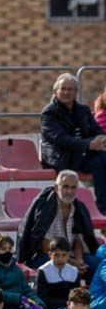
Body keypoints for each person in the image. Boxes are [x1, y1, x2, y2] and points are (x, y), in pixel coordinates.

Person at [40, 73, 106, 214]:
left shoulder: (83, 110)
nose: (66, 92)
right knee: (99, 160)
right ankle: (102, 208)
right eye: (63, 89)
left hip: (81, 155)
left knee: (102, 159)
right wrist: (89, 144)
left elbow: (97, 130)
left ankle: (102, 207)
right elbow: (61, 139)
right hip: (60, 157)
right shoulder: (49, 113)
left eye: (70, 89)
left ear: (76, 92)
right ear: (56, 91)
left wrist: (101, 139)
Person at [18, 169, 101, 273]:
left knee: (96, 264)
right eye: (65, 186)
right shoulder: (45, 208)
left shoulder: (78, 208)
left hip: (70, 255)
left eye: (73, 187)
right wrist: (72, 263)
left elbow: (77, 239)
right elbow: (45, 246)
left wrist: (79, 260)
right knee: (62, 268)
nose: (69, 191)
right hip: (48, 255)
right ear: (57, 188)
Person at [36, 237, 80, 309]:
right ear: (50, 254)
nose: (60, 258)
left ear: (69, 255)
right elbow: (42, 297)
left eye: (64, 255)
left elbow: (76, 295)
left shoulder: (74, 271)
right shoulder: (43, 271)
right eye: (56, 255)